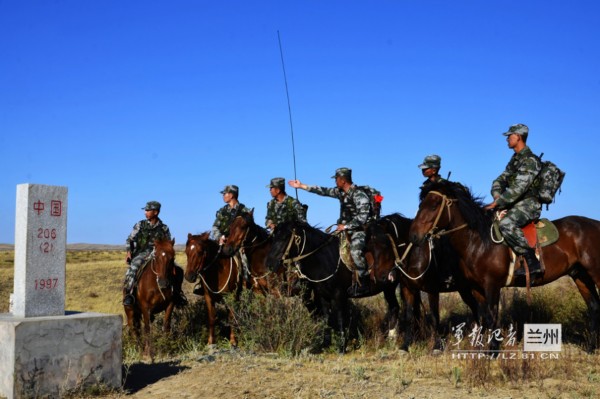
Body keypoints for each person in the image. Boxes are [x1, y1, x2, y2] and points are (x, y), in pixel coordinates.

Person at [289, 167, 375, 297]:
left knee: (355, 251)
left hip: (359, 230)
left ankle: (364, 282)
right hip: (343, 230)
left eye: (336, 179)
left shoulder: (359, 195)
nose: (335, 182)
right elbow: (323, 191)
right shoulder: (340, 192)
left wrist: (346, 226)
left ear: (343, 180)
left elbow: (363, 217)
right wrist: (301, 186)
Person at [484, 123, 543, 277]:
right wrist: (497, 196)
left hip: (529, 204)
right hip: (512, 202)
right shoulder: (514, 160)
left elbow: (519, 188)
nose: (507, 139)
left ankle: (532, 261)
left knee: (506, 224)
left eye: (510, 136)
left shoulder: (531, 160)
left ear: (519, 137)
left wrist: (498, 203)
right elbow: (498, 181)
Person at [123, 201, 186, 307]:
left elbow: (168, 244)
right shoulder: (140, 225)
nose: (145, 212)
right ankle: (129, 295)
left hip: (159, 254)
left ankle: (177, 295)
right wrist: (129, 252)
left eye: (148, 210)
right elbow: (129, 239)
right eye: (145, 210)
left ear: (155, 212)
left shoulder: (164, 228)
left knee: (178, 270)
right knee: (133, 268)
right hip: (141, 253)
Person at [192, 185, 251, 295]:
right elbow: (215, 227)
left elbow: (248, 229)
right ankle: (202, 285)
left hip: (238, 244)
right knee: (207, 257)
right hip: (222, 243)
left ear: (232, 195)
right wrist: (219, 237)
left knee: (245, 260)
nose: (223, 196)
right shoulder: (222, 211)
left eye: (225, 194)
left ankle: (246, 283)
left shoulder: (244, 210)